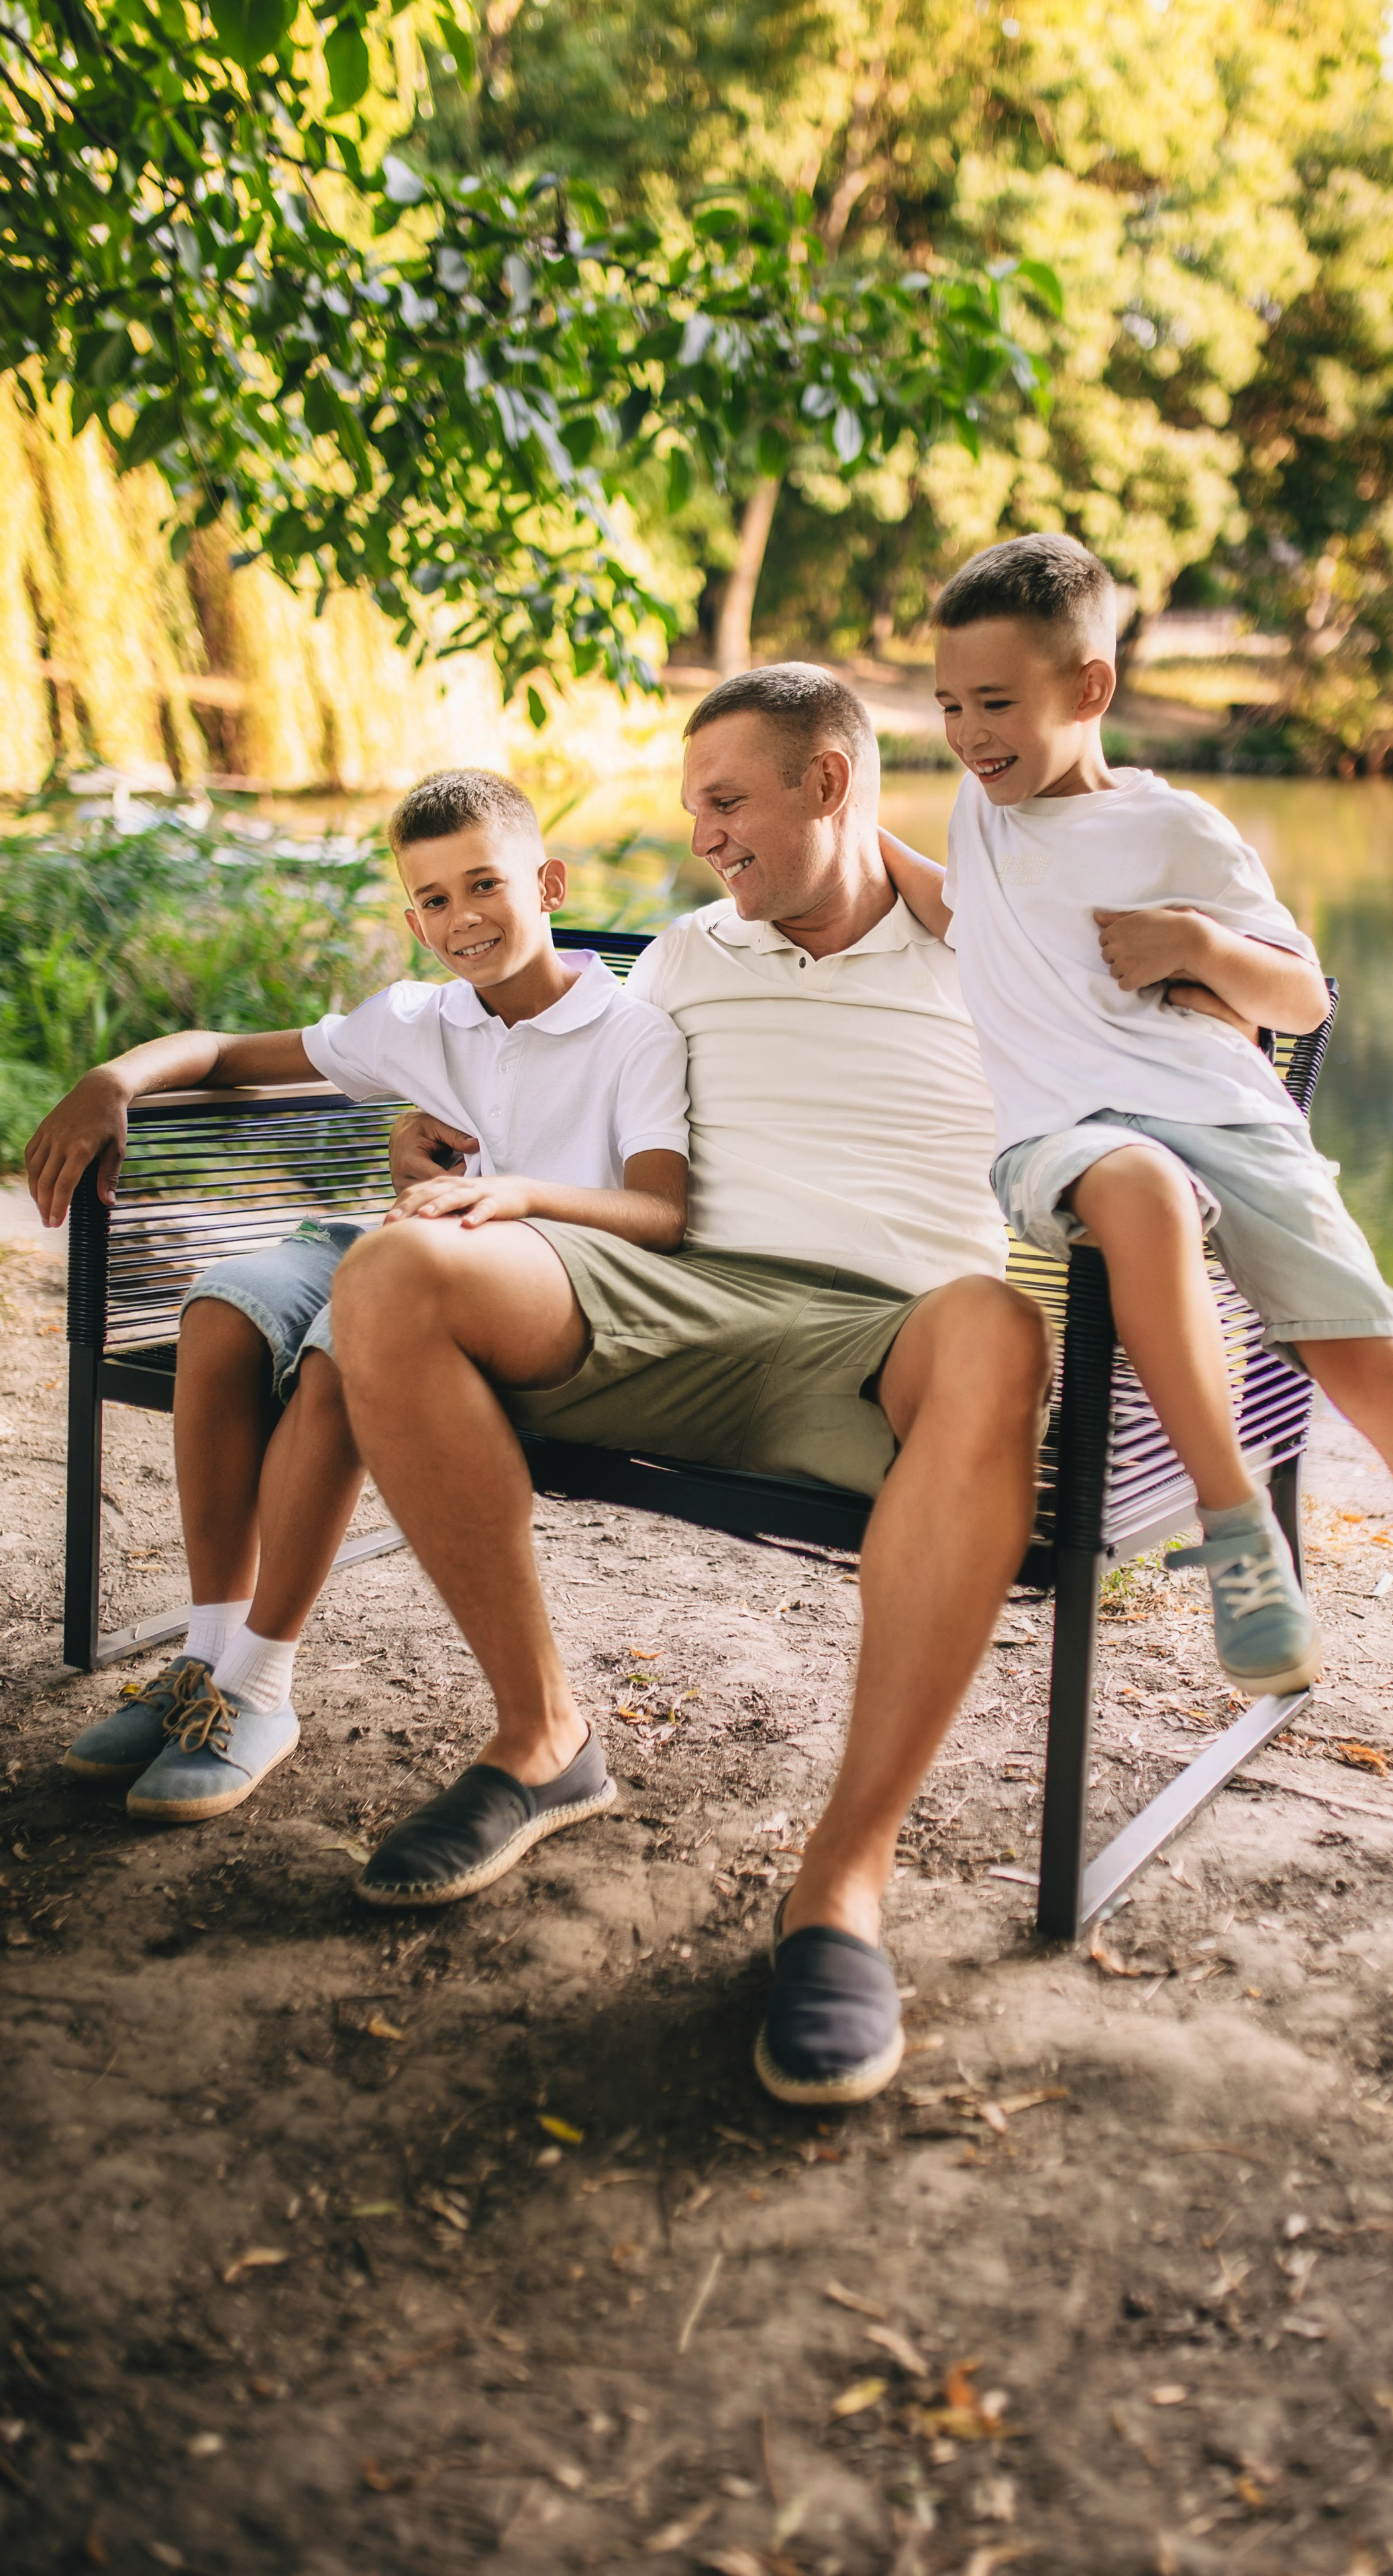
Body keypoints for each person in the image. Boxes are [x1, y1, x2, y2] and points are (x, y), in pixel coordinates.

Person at [874, 530, 1393, 1858]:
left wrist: (1199, 947)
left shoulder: (1170, 825)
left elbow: (1298, 996)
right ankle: (1232, 1527)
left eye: (997, 705)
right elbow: (956, 906)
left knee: (1380, 1373)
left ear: (1085, 691)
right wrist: (822, 834)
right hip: (1070, 1144)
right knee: (1133, 1185)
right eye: (951, 705)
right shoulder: (977, 814)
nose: (968, 734)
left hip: (1230, 1121)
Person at [329, 665, 1052, 2106]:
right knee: (392, 1272)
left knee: (993, 1328)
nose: (702, 835)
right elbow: (566, 1103)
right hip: (664, 1301)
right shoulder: (682, 959)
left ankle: (839, 1887)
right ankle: (538, 1740)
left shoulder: (992, 953)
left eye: (727, 802)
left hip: (883, 1336)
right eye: (691, 808)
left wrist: (933, 872)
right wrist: (445, 1146)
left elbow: (1202, 996)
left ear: (831, 785)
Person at [26, 769, 689, 1829]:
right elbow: (227, 1052)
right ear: (414, 920)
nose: (463, 918)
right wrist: (114, 1079)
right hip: (394, 1243)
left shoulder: (634, 1035)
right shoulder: (419, 1020)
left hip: (511, 1289)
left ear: (549, 880)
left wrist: (507, 1192)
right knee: (224, 1309)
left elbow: (661, 1211)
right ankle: (206, 1661)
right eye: (433, 900)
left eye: (485, 885)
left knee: (344, 1350)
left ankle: (261, 1686)